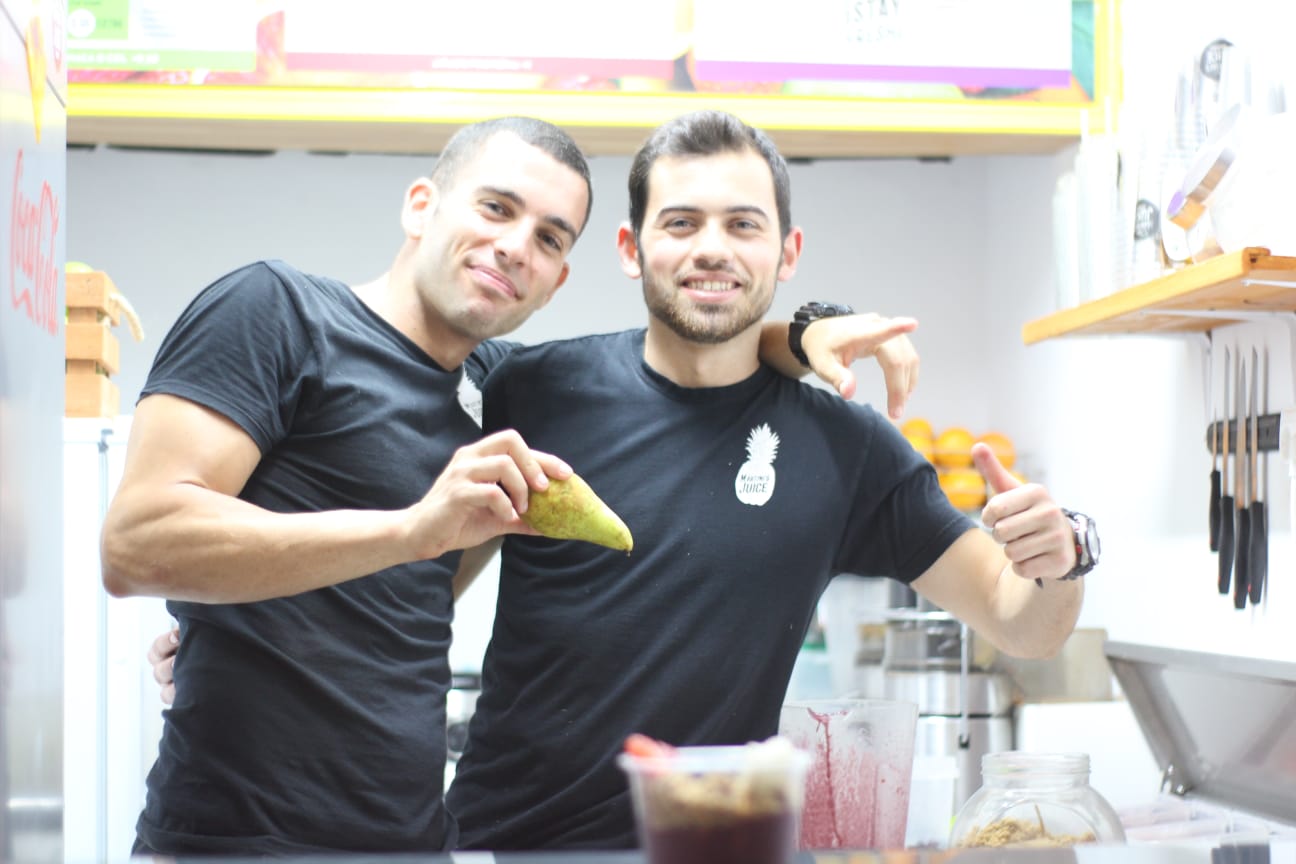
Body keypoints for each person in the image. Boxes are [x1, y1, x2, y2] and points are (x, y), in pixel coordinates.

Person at [109, 114, 921, 856]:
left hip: (408, 839)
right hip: (229, 839)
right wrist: (410, 531)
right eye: (495, 209)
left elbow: (700, 348)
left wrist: (805, 329)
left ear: (557, 279)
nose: (513, 247)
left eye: (548, 237)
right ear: (422, 205)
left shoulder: (504, 390)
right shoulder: (278, 312)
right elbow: (135, 545)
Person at [438, 110, 1090, 850]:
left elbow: (1022, 623)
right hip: (506, 846)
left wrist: (1060, 558)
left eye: (743, 225)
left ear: (787, 252)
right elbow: (424, 585)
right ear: (630, 247)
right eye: (681, 223)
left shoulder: (846, 449)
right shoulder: (532, 392)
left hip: (717, 848)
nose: (712, 248)